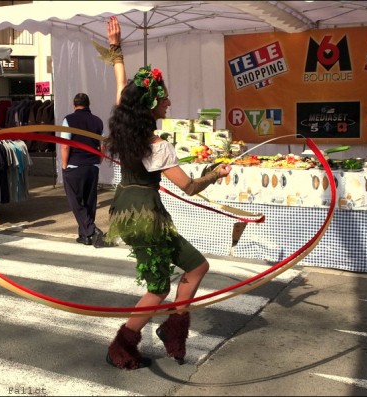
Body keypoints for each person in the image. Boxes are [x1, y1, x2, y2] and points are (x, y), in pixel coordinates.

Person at [102, 16, 232, 370]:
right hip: (147, 218)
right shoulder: (158, 145)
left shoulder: (125, 130)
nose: (169, 102)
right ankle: (124, 344)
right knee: (160, 286)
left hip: (125, 213)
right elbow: (187, 187)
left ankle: (171, 331)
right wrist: (213, 173)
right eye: (163, 98)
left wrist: (117, 49)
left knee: (196, 266)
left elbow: (122, 89)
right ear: (150, 106)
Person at [60, 93, 108, 248]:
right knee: (89, 200)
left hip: (75, 165)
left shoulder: (69, 120)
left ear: (74, 105)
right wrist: (98, 160)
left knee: (75, 201)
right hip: (92, 166)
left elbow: (65, 144)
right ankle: (85, 235)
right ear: (89, 104)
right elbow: (103, 145)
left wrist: (64, 164)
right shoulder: (97, 121)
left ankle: (91, 230)